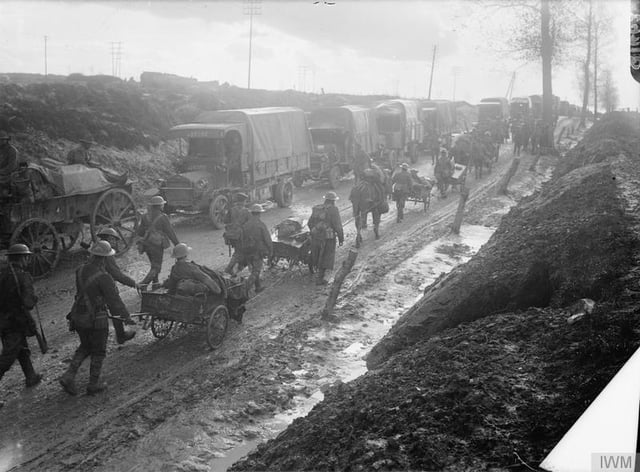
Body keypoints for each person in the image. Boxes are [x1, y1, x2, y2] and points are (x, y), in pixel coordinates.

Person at [60, 241, 135, 396]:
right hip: (96, 318)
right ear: (105, 259)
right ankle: (93, 384)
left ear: (92, 254)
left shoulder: (80, 270)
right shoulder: (104, 277)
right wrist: (126, 317)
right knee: (99, 350)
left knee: (85, 346)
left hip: (78, 315)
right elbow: (114, 301)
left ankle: (69, 376)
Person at [0, 244, 42, 389]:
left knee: (21, 348)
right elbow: (28, 303)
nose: (28, 261)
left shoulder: (2, 273)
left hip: (3, 320)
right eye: (27, 257)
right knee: (7, 358)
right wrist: (34, 297)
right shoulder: (23, 276)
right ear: (23, 258)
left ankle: (31, 377)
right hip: (16, 321)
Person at [94, 227, 137, 344]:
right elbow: (116, 274)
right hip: (102, 283)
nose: (116, 243)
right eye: (114, 240)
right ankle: (121, 335)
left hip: (91, 283)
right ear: (109, 238)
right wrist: (133, 283)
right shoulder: (107, 253)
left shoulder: (95, 249)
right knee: (115, 305)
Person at [136, 195, 180, 289]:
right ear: (160, 206)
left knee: (154, 264)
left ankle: (155, 284)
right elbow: (170, 232)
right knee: (156, 267)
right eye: (162, 205)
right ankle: (144, 284)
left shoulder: (144, 216)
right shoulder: (163, 217)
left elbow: (140, 232)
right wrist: (177, 244)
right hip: (156, 245)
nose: (163, 206)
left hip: (146, 244)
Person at [308, 191, 344, 285]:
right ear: (333, 201)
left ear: (325, 200)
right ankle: (320, 278)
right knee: (326, 256)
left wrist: (314, 231)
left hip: (316, 237)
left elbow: (309, 223)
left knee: (316, 253)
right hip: (328, 238)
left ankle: (315, 270)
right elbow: (338, 226)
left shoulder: (317, 208)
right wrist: (341, 238)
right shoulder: (334, 210)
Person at [237, 204, 272, 293]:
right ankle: (244, 290)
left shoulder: (245, 225)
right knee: (256, 271)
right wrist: (270, 250)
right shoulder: (261, 225)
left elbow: (241, 239)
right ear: (259, 213)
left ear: (252, 213)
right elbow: (267, 239)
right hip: (257, 251)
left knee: (253, 268)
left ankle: (258, 287)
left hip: (247, 251)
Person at [223, 192, 251, 273]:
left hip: (231, 235)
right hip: (240, 236)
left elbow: (225, 221)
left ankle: (239, 266)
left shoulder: (231, 210)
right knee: (238, 253)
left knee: (239, 250)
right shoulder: (247, 212)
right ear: (244, 201)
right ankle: (228, 269)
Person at [0, 131, 18, 198]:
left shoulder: (12, 150)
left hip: (10, 174)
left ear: (6, 140)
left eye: (2, 140)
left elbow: (11, 167)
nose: (0, 141)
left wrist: (1, 172)